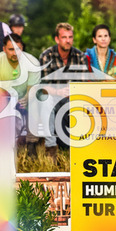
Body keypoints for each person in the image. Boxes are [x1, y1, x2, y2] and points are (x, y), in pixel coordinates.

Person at [38, 22, 87, 161]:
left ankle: (78, 146)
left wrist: (73, 91)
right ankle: (51, 149)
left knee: (82, 102)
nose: (68, 40)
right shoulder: (47, 56)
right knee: (46, 101)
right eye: (64, 37)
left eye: (70, 37)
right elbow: (42, 87)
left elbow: (83, 84)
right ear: (57, 39)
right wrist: (58, 92)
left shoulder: (79, 56)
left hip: (72, 96)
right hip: (52, 96)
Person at [0, 34, 41, 155]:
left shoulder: (33, 62)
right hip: (4, 98)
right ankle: (3, 145)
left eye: (18, 49)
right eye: (11, 49)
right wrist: (9, 100)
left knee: (36, 101)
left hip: (26, 98)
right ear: (4, 49)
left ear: (22, 48)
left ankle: (31, 145)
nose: (15, 53)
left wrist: (25, 99)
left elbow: (33, 88)